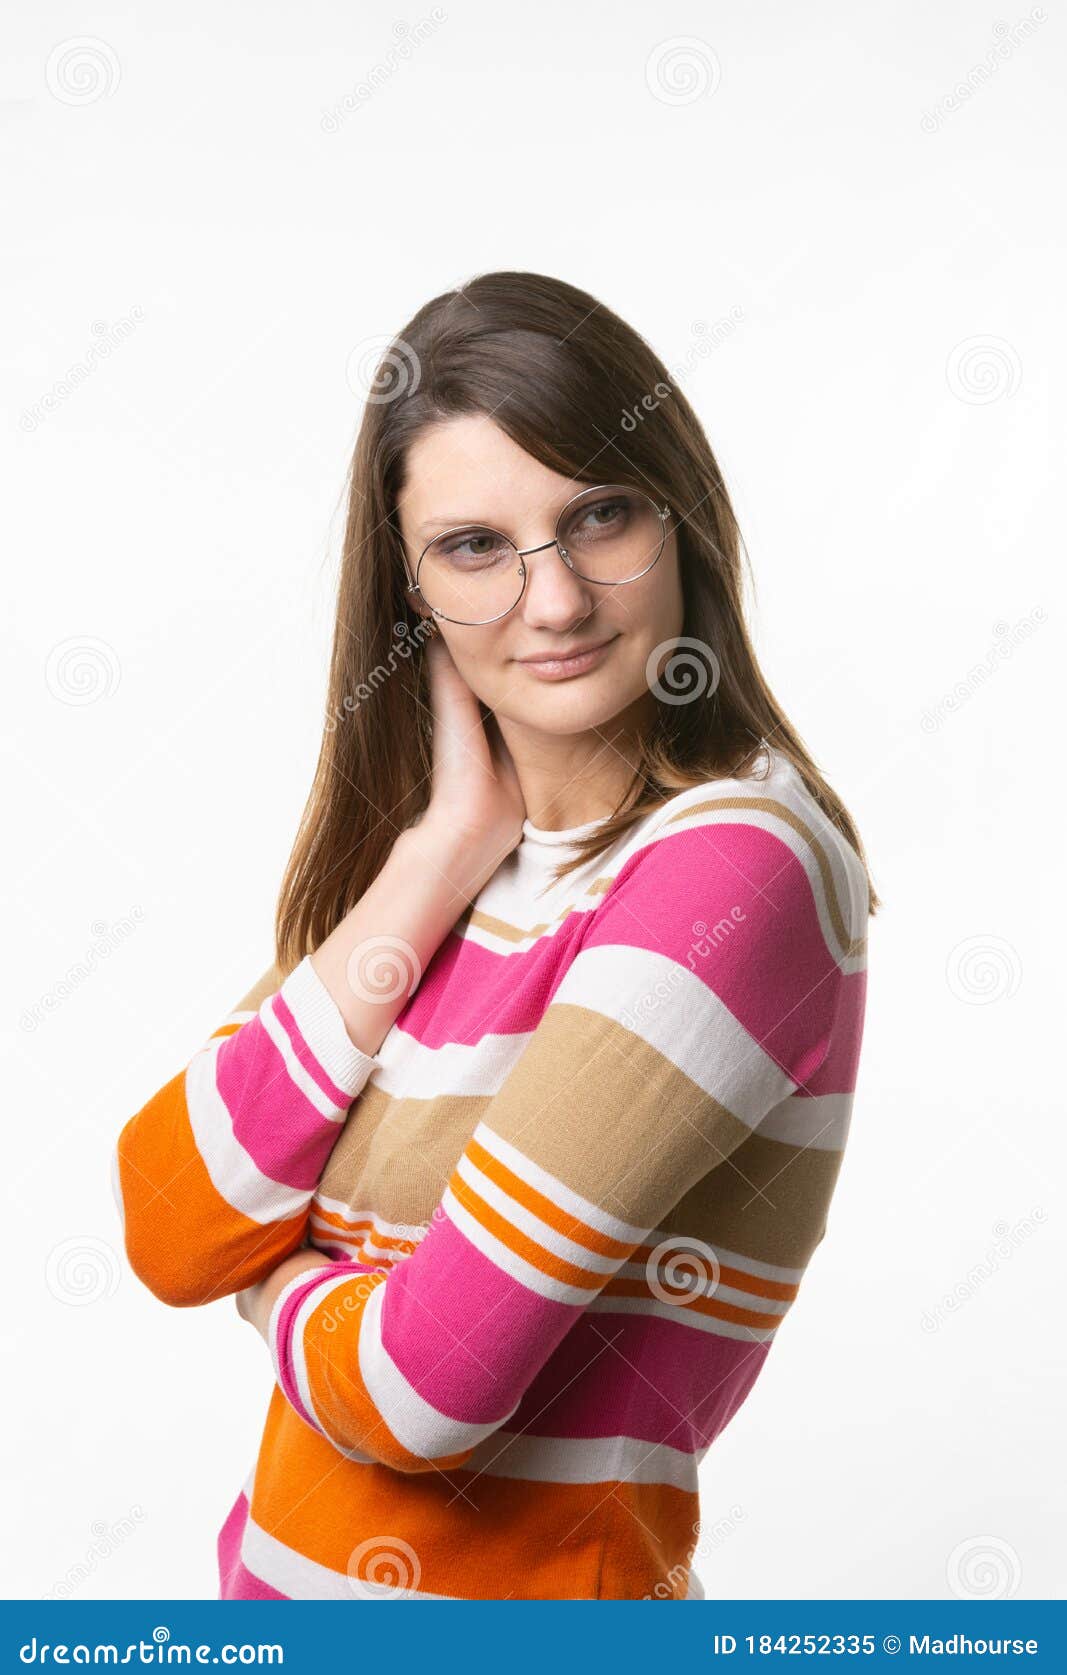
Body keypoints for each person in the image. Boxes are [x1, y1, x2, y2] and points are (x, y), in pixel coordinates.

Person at [111, 270, 876, 1600]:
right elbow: (170, 1218)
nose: (559, 600)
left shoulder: (734, 869)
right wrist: (438, 851)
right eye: (475, 546)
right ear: (407, 591)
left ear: (680, 518)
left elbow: (426, 1388)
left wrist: (271, 1284)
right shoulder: (447, 858)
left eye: (600, 516)